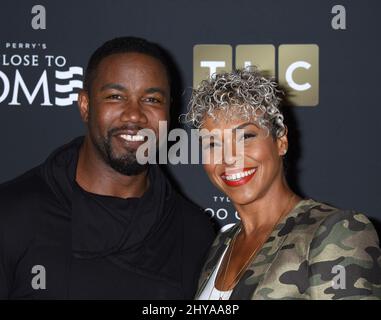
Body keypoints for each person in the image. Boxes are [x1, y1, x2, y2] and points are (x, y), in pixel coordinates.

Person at [0, 37, 214, 299]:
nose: (134, 115)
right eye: (115, 96)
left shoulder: (195, 233)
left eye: (152, 100)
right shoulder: (12, 215)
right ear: (85, 105)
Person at [185, 67, 381, 300]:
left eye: (245, 137)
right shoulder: (221, 245)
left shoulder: (334, 230)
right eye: (213, 144)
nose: (229, 157)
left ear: (281, 141)